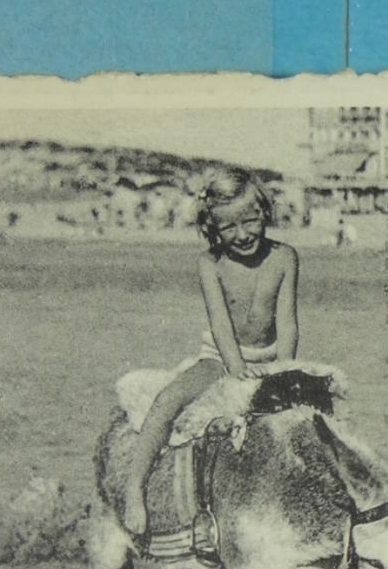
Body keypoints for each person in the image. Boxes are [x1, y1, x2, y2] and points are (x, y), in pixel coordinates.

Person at [122, 169, 299, 538]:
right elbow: (220, 324)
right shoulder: (210, 264)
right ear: (212, 228)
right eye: (228, 227)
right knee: (168, 400)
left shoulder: (285, 257)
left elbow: (288, 322)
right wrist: (235, 371)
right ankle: (134, 488)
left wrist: (283, 372)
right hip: (221, 357)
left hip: (271, 360)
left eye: (250, 221)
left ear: (265, 212)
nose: (243, 234)